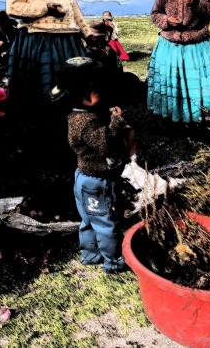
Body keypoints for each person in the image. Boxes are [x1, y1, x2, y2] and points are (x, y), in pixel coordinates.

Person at [52, 56, 135, 272]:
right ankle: (114, 261)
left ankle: (90, 255)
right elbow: (106, 144)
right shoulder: (86, 124)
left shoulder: (79, 114)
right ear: (85, 96)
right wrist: (116, 122)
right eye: (98, 90)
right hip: (98, 181)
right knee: (106, 223)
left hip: (84, 177)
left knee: (89, 219)